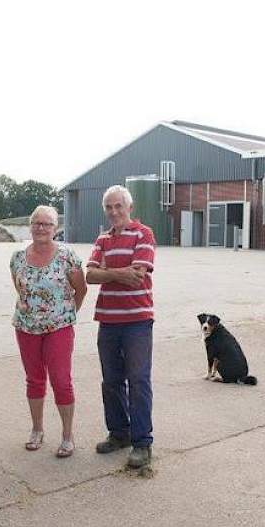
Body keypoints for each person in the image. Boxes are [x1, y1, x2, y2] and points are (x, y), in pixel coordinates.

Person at [85, 185, 156, 468]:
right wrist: (117, 273)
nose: (114, 212)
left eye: (119, 206)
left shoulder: (144, 234)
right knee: (111, 381)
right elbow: (89, 275)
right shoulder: (102, 238)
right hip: (108, 320)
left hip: (137, 321)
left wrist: (107, 273)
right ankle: (119, 433)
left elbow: (137, 276)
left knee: (138, 381)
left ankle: (142, 443)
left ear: (130, 207)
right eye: (109, 207)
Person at [10, 205, 87, 458]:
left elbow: (81, 289)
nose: (41, 228)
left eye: (47, 224)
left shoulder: (68, 257)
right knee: (34, 379)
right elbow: (20, 289)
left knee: (61, 381)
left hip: (59, 328)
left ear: (55, 228)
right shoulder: (18, 258)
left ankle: (67, 435)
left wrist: (66, 315)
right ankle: (37, 429)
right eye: (37, 223)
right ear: (31, 226)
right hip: (26, 327)